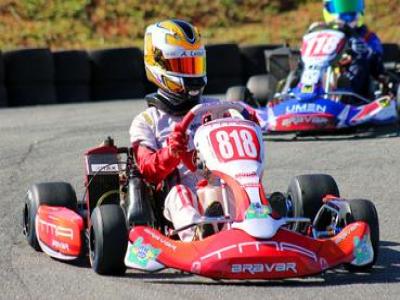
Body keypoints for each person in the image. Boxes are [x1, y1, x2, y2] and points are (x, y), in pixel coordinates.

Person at [129, 19, 224, 242]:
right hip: (175, 197)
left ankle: (259, 221)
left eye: (195, 66)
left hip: (216, 186)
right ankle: (198, 235)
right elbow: (147, 171)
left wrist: (248, 122)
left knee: (228, 189)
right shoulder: (147, 121)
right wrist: (170, 153)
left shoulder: (217, 108)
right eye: (182, 67)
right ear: (158, 64)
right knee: (179, 195)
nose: (191, 75)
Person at [322, 0, 385, 99]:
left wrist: (365, 50)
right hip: (326, 75)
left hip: (358, 90)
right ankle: (302, 92)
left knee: (360, 61)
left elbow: (377, 62)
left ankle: (347, 96)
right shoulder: (322, 35)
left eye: (353, 6)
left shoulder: (367, 36)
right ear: (328, 9)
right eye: (343, 6)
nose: (348, 13)